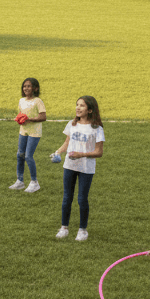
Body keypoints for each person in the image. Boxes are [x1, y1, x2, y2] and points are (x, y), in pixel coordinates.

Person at [54, 96, 104, 242]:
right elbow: (67, 142)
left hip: (86, 168)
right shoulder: (72, 124)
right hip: (70, 165)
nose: (78, 108)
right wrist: (57, 152)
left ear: (89, 110)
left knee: (82, 199)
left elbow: (99, 152)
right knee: (67, 197)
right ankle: (64, 227)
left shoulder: (97, 129)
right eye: (77, 105)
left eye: (82, 106)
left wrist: (81, 154)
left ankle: (82, 230)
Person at [9, 78, 46, 193]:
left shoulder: (38, 101)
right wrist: (19, 119)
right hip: (23, 131)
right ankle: (20, 181)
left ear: (35, 88)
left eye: (29, 86)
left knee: (28, 156)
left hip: (34, 132)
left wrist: (30, 119)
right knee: (20, 155)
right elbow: (21, 114)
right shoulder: (21, 101)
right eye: (24, 86)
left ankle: (34, 183)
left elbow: (43, 117)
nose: (26, 88)